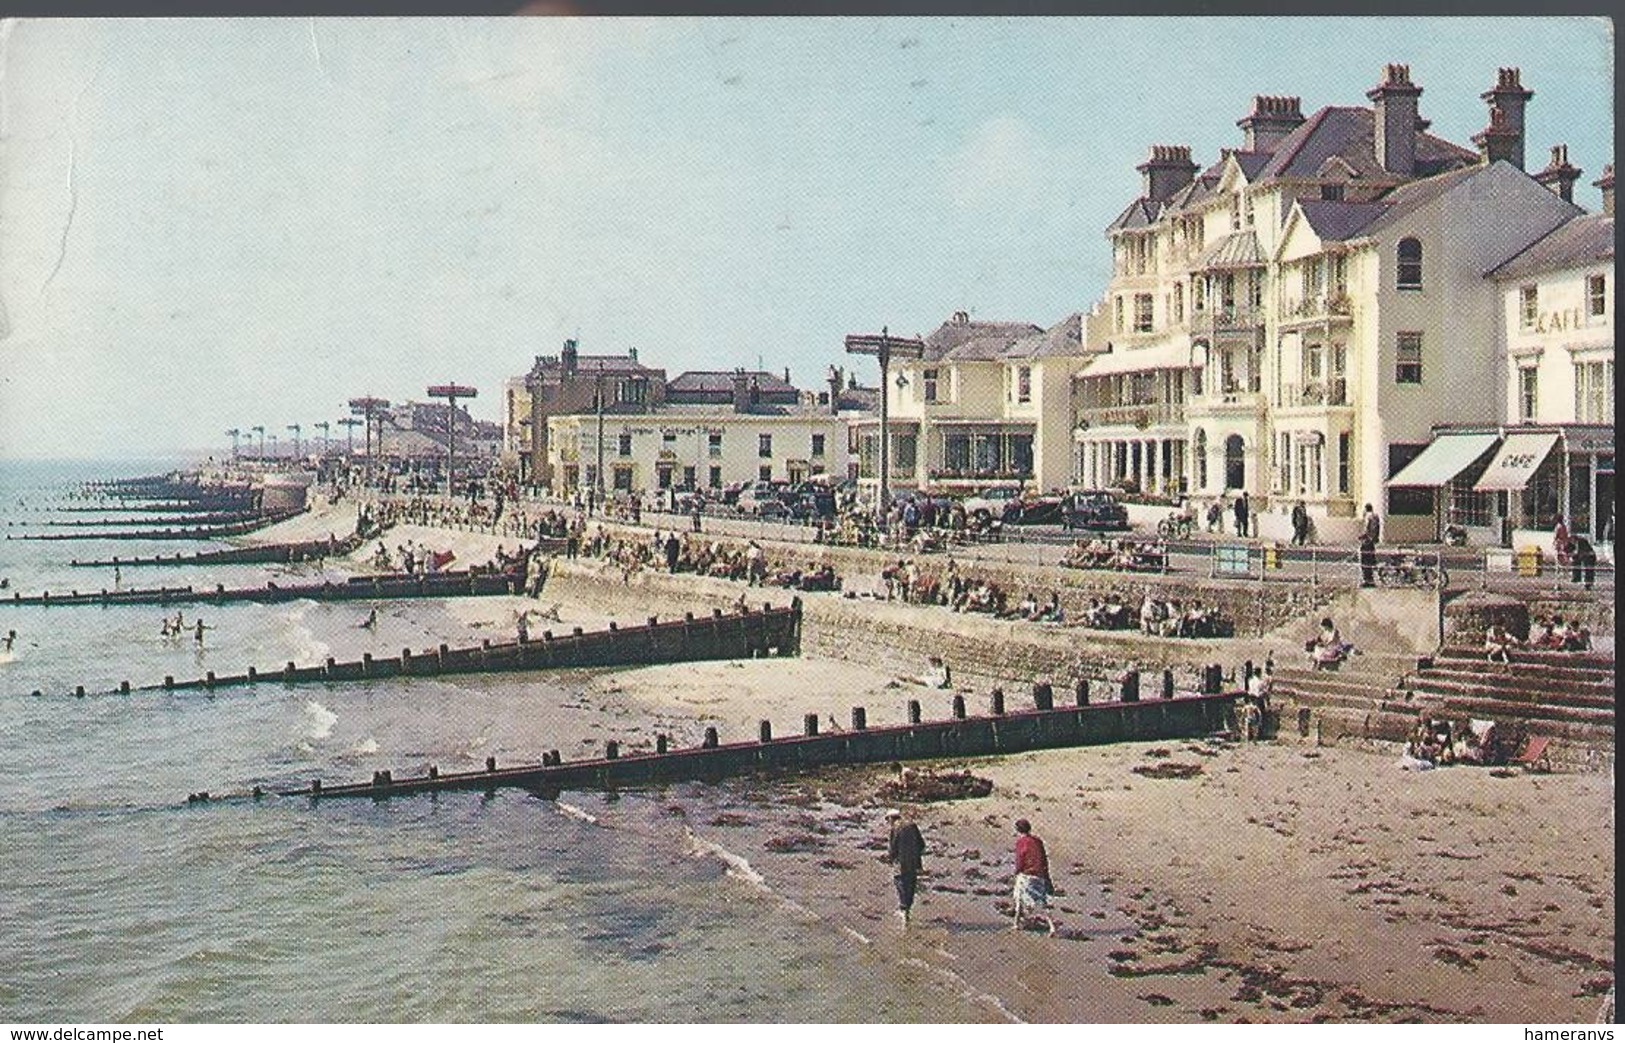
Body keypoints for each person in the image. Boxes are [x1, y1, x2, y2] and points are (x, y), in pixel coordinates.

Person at [1012, 818, 1056, 935]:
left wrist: (1017, 871)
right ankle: (1052, 926)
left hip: (1027, 875)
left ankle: (1016, 923)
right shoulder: (1037, 841)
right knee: (1041, 902)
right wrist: (1047, 876)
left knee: (1019, 897)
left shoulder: (1021, 842)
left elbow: (1020, 859)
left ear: (1018, 830)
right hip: (1040, 874)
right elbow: (1043, 859)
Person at [885, 809, 926, 927]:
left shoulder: (895, 828)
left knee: (899, 882)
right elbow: (921, 844)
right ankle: (908, 908)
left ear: (891, 818)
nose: (888, 823)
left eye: (888, 820)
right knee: (911, 884)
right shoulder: (912, 825)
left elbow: (893, 848)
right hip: (913, 862)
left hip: (901, 862)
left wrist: (890, 859)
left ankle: (904, 911)